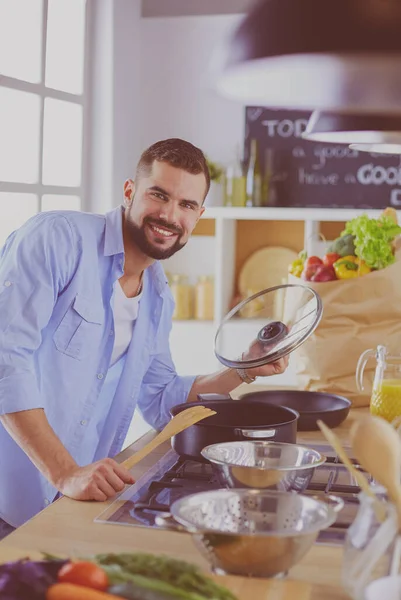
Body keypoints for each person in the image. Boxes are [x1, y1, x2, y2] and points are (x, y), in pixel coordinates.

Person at [0, 138, 287, 539]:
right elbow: (5, 361)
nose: (170, 215)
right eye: (159, 195)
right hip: (12, 494)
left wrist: (243, 369)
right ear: (130, 191)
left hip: (69, 502)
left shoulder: (157, 295)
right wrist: (65, 472)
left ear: (199, 215)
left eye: (186, 205)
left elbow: (160, 398)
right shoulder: (57, 239)